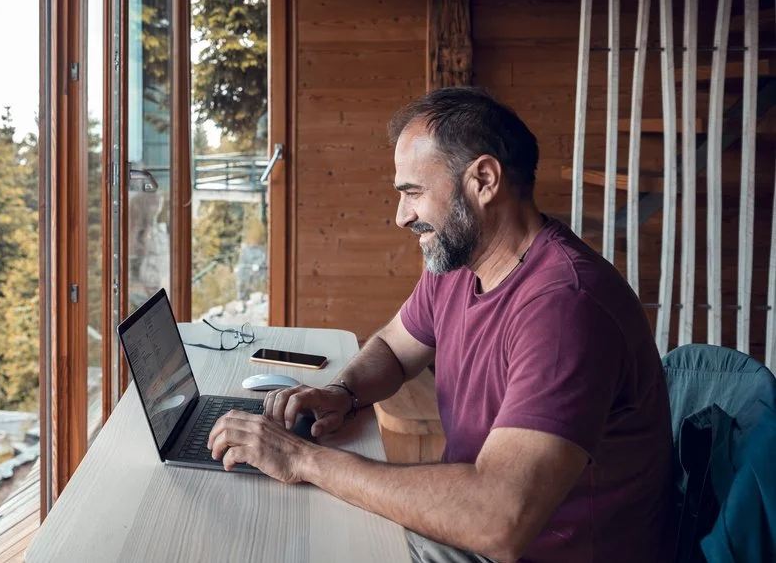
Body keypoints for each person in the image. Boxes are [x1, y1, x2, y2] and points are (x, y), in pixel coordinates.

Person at [207, 87, 672, 563]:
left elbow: (498, 518)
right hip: (476, 526)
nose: (400, 215)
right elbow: (392, 347)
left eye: (413, 192)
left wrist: (302, 458)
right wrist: (343, 392)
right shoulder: (459, 264)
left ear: (484, 180)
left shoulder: (565, 306)